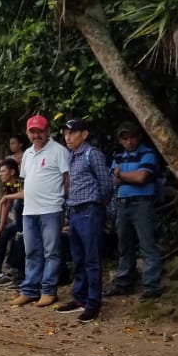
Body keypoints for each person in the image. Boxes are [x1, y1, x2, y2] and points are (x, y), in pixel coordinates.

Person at [55, 117, 113, 322]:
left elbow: (106, 184)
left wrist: (98, 206)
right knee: (78, 258)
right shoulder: (72, 156)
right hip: (75, 212)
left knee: (91, 259)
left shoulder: (92, 154)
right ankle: (79, 298)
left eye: (72, 133)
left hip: (90, 211)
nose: (67, 137)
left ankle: (93, 302)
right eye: (65, 133)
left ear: (84, 134)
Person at [11, 115, 70, 309]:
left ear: (47, 131)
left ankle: (48, 291)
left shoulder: (59, 151)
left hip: (51, 209)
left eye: (40, 131)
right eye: (32, 131)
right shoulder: (27, 154)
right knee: (31, 252)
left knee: (51, 252)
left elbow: (67, 180)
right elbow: (25, 180)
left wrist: (64, 204)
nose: (36, 135)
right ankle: (29, 290)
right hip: (30, 210)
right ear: (28, 133)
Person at [109, 122, 163, 299]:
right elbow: (113, 180)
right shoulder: (118, 157)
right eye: (125, 138)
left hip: (142, 203)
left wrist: (121, 175)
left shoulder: (147, 154)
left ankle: (151, 286)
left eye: (131, 137)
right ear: (120, 140)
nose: (129, 141)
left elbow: (141, 177)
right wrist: (123, 177)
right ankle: (124, 283)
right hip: (122, 203)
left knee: (147, 244)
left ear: (138, 137)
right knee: (124, 245)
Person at [0, 157, 24, 284]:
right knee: (3, 233)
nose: (0, 174)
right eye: (0, 172)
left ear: (12, 172)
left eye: (3, 171)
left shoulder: (20, 182)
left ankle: (16, 271)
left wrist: (6, 196)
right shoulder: (9, 184)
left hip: (27, 220)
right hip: (17, 221)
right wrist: (1, 225)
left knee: (17, 239)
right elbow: (6, 204)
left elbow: (25, 193)